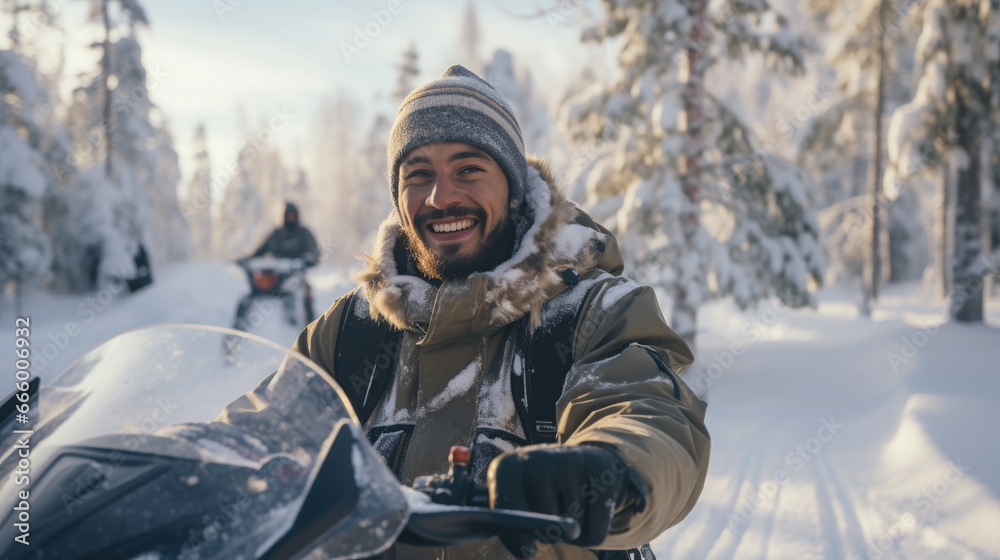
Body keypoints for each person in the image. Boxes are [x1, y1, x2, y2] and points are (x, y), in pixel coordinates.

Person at [228, 66, 710, 559]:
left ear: (513, 187)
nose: (442, 196)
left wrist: (603, 465)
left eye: (469, 169)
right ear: (399, 199)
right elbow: (258, 429)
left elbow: (646, 412)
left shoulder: (593, 310)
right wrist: (172, 466)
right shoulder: (352, 330)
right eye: (418, 174)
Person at [246, 201, 320, 322]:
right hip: (276, 275)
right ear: (284, 216)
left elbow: (314, 251)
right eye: (288, 215)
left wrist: (308, 259)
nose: (290, 217)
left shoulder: (304, 233)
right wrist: (249, 259)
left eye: (292, 214)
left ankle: (310, 325)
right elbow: (263, 248)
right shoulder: (277, 233)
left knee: (305, 296)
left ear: (296, 215)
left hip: (297, 274)